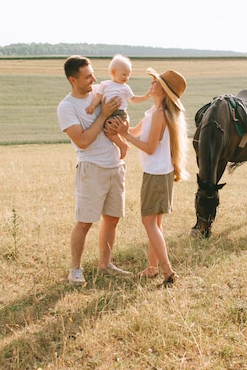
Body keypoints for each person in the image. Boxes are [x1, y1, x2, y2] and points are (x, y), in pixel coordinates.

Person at [107, 67, 189, 287]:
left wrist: (123, 135)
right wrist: (119, 127)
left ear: (162, 90)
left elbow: (150, 147)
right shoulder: (152, 113)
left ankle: (167, 271)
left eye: (156, 81)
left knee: (149, 222)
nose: (151, 83)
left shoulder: (161, 115)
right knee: (156, 223)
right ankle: (152, 267)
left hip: (157, 173)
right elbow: (134, 133)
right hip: (157, 172)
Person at [56, 55, 133, 286]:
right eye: (88, 76)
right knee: (85, 221)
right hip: (91, 168)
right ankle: (75, 269)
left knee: (112, 219)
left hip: (115, 166)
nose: (94, 79)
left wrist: (122, 127)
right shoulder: (67, 107)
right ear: (73, 79)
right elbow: (83, 141)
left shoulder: (102, 93)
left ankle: (105, 264)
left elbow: (123, 121)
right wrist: (103, 115)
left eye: (93, 74)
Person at [86, 54, 150, 159]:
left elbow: (133, 99)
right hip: (108, 113)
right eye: (124, 74)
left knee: (109, 131)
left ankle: (122, 145)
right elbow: (98, 97)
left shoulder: (125, 88)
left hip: (119, 113)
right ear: (113, 72)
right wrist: (92, 106)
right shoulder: (105, 84)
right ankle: (123, 143)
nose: (127, 78)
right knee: (111, 130)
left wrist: (144, 97)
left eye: (128, 75)